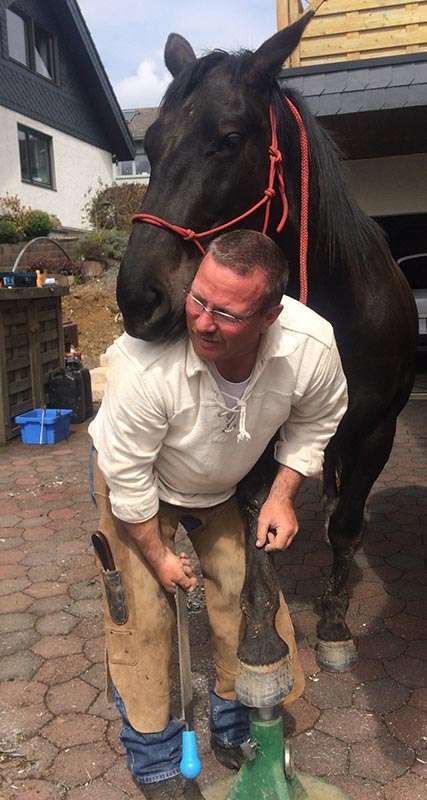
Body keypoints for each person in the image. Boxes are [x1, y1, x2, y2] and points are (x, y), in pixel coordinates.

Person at [89, 229, 348, 799]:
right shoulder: (145, 366)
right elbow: (129, 481)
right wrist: (158, 557)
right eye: (198, 299)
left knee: (244, 596)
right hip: (140, 481)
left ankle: (241, 730)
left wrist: (282, 494)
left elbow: (315, 421)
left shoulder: (309, 346)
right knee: (145, 616)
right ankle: (157, 761)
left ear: (269, 316)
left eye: (226, 314)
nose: (203, 322)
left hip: (217, 485)